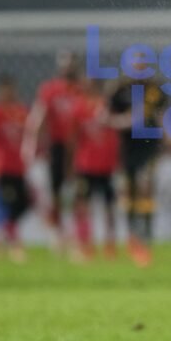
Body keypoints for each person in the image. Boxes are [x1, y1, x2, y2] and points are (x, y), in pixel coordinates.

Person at [110, 55, 166, 267]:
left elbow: (160, 115)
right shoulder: (120, 90)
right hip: (127, 147)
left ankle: (146, 234)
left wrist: (168, 137)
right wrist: (124, 121)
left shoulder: (155, 89)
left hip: (149, 146)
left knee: (146, 186)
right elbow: (107, 117)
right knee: (129, 191)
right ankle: (132, 233)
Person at [23, 52, 82, 251]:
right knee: (55, 191)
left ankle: (78, 234)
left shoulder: (82, 89)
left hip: (80, 147)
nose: (68, 68)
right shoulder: (50, 90)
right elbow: (40, 118)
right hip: (57, 146)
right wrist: (36, 146)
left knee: (78, 192)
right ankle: (58, 234)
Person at [69, 79, 121, 261]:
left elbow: (116, 134)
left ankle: (109, 245)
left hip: (106, 165)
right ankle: (84, 244)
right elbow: (74, 137)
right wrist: (72, 163)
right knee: (82, 205)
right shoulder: (79, 107)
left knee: (109, 207)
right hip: (86, 165)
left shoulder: (107, 107)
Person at [0, 74, 31, 264]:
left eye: (10, 89)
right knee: (10, 205)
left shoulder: (21, 112)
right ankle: (15, 245)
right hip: (2, 167)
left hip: (19, 166)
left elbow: (30, 136)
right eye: (3, 90)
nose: (7, 93)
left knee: (24, 203)